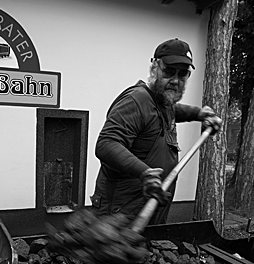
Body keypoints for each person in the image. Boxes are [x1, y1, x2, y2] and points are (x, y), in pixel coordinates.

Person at [91, 38, 222, 225]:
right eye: (169, 71)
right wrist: (145, 173)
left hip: (146, 211)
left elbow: (173, 111)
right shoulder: (136, 101)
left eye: (183, 74)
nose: (175, 81)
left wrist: (199, 113)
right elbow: (106, 144)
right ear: (154, 67)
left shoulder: (162, 102)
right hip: (119, 215)